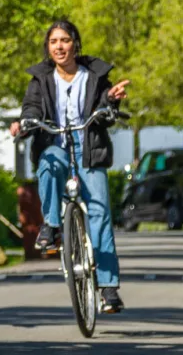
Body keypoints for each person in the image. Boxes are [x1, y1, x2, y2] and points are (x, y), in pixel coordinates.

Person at [10, 19, 130, 313]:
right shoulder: (40, 79)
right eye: (54, 42)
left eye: (64, 40)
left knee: (100, 212)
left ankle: (108, 288)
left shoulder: (95, 75)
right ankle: (51, 225)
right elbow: (32, 108)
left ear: (75, 43)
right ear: (48, 48)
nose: (59, 46)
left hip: (88, 147)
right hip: (55, 144)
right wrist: (24, 124)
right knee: (49, 164)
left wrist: (110, 101)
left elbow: (104, 105)